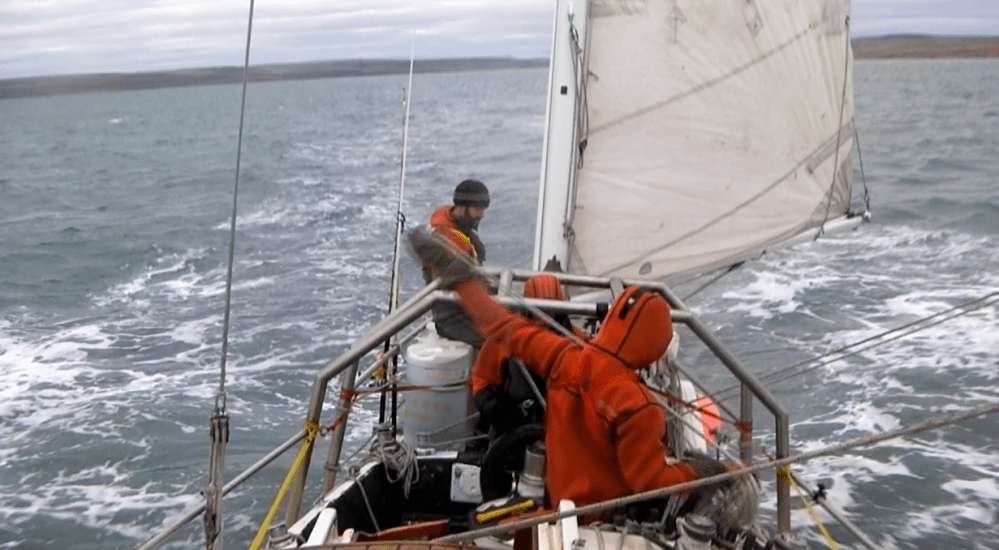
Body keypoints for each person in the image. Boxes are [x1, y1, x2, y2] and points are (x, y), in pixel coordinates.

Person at [409, 228, 732, 510]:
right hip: (600, 521)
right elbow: (650, 481)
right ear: (656, 346)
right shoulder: (639, 406)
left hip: (553, 504)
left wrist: (463, 282)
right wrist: (702, 473)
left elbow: (499, 324)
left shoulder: (563, 355)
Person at [472, 274, 586, 436]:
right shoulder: (504, 339)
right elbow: (481, 378)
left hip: (566, 432)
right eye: (540, 311)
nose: (547, 318)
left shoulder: (578, 341)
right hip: (513, 429)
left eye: (553, 311)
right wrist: (488, 403)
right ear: (527, 310)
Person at [421, 179, 490, 347]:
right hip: (453, 318)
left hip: (467, 308)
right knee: (505, 339)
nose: (482, 215)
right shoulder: (446, 240)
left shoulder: (456, 223)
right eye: (477, 209)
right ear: (461, 208)